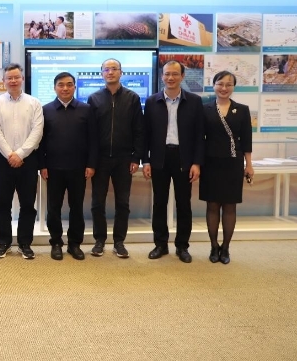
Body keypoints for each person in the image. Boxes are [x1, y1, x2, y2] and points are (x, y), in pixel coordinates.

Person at [143, 61, 204, 264]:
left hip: (184, 158)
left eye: (175, 74)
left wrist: (197, 163)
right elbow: (145, 134)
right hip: (159, 157)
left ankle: (182, 246)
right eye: (167, 74)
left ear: (182, 76)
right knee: (159, 203)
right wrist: (146, 161)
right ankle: (160, 244)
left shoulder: (194, 101)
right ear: (162, 76)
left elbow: (199, 135)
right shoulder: (152, 101)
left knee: (183, 204)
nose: (170, 78)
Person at [87, 58, 144, 258]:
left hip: (124, 158)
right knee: (97, 203)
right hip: (100, 159)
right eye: (106, 69)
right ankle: (99, 241)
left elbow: (139, 130)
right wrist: (90, 161)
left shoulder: (132, 98)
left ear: (121, 72)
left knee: (123, 203)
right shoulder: (94, 98)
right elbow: (90, 133)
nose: (110, 72)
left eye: (114, 69)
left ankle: (119, 242)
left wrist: (136, 158)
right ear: (101, 73)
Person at [39, 72, 97, 261]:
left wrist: (91, 164)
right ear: (54, 87)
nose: (65, 88)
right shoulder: (45, 110)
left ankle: (74, 244)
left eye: (69, 84)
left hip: (78, 168)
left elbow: (93, 140)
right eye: (61, 85)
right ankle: (56, 243)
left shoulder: (86, 109)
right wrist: (42, 165)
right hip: (53, 168)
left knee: (77, 207)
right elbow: (40, 141)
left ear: (75, 87)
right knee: (53, 208)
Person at [0, 63, 43, 259]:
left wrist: (20, 154)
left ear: (22, 79)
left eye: (16, 77)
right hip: (3, 161)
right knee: (3, 204)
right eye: (9, 78)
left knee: (27, 204)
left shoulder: (34, 103)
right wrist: (10, 154)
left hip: (28, 160)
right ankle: (4, 243)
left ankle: (24, 243)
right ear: (3, 81)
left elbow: (37, 131)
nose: (13, 81)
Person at [200, 71, 253, 264]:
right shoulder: (204, 109)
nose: (224, 88)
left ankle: (226, 248)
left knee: (230, 206)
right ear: (213, 85)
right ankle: (214, 246)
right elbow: (199, 139)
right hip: (210, 162)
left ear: (233, 87)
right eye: (220, 84)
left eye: (228, 85)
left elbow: (246, 140)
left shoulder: (242, 110)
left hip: (233, 163)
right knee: (212, 206)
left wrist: (249, 164)